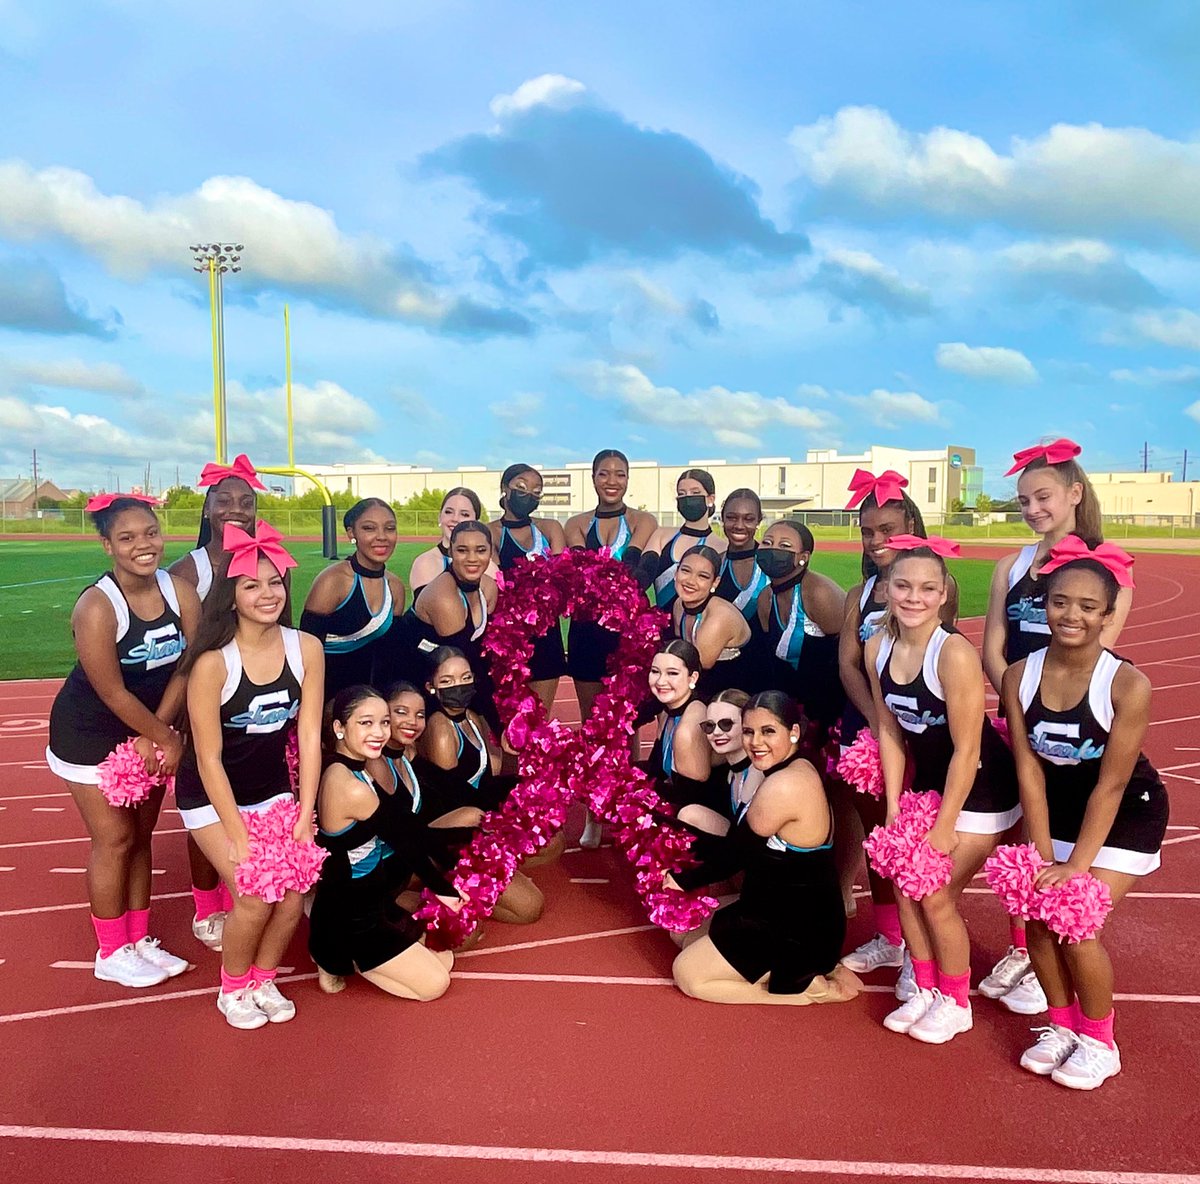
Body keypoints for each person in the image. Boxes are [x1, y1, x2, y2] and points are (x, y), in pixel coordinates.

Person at [1002, 537, 1167, 1090]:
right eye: (1059, 602)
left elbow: (1113, 784)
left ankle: (1101, 1041)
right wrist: (1043, 855)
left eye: (1088, 606)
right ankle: (1063, 1025)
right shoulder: (1018, 675)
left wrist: (1075, 870)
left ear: (1108, 614)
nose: (1071, 615)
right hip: (1060, 810)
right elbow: (1028, 770)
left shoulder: (1126, 684)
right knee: (1037, 921)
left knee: (1075, 922)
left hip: (1125, 812)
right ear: (1043, 603)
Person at [979, 440, 1133, 1014]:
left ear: (1073, 493)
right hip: (1019, 707)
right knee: (1025, 833)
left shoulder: (1106, 566)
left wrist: (1041, 703)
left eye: (1043, 496)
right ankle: (1024, 948)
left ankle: (1053, 941)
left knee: (1066, 826)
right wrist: (1015, 696)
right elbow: (994, 643)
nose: (1034, 508)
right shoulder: (1011, 566)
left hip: (1073, 721)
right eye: (1023, 500)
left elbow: (1095, 652)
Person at [865, 536, 1020, 1045]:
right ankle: (928, 989)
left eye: (927, 589)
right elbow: (889, 730)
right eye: (904, 585)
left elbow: (969, 750)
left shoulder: (953, 654)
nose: (913, 597)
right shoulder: (877, 647)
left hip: (981, 790)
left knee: (932, 894)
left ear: (943, 595)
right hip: (928, 786)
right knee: (906, 887)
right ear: (887, 588)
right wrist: (892, 805)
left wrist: (944, 826)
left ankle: (956, 1003)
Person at [174, 522, 325, 1030]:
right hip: (210, 794)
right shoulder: (213, 664)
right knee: (254, 894)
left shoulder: (306, 649)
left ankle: (263, 978)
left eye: (275, 582)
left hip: (270, 788)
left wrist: (305, 816)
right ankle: (233, 987)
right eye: (251, 585)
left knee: (292, 890)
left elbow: (307, 737)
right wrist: (238, 836)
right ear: (231, 596)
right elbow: (208, 759)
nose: (268, 594)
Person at [46, 494, 199, 988]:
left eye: (150, 533)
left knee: (141, 835)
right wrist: (166, 739)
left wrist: (161, 732)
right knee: (114, 839)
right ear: (107, 544)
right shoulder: (97, 606)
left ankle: (137, 939)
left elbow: (187, 666)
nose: (143, 545)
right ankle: (111, 951)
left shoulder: (180, 592)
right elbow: (110, 691)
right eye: (128, 538)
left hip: (152, 726)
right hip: (90, 733)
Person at [670, 691, 863, 1006]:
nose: (755, 741)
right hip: (775, 908)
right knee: (682, 935)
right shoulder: (794, 765)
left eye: (768, 731)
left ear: (794, 732)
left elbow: (736, 854)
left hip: (794, 927)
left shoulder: (784, 786)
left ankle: (803, 991)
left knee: (688, 975)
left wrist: (681, 878)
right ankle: (811, 971)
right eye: (749, 731)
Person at [836, 470, 939, 993]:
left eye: (888, 530)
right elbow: (849, 664)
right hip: (869, 728)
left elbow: (939, 659)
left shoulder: (928, 589)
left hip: (919, 727)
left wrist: (897, 718)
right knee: (880, 840)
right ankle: (890, 936)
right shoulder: (861, 593)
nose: (877, 541)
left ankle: (921, 954)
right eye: (868, 531)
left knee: (914, 841)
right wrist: (877, 718)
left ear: (912, 526)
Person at [170, 454, 267, 952]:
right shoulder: (188, 568)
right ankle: (206, 904)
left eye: (246, 502)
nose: (236, 509)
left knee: (246, 800)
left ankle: (238, 893)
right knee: (206, 805)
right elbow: (183, 653)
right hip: (206, 699)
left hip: (252, 702)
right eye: (224, 501)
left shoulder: (266, 558)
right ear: (207, 510)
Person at [308, 685, 457, 1000]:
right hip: (351, 916)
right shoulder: (351, 787)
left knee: (444, 958)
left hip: (371, 902)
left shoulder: (356, 770)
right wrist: (447, 891)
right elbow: (405, 838)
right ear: (339, 728)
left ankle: (352, 951)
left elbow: (409, 827)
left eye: (384, 722)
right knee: (435, 985)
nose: (379, 732)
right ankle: (337, 957)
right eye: (366, 723)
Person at [564, 449, 657, 848]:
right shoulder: (575, 524)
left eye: (620, 473)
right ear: (593, 477)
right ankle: (595, 815)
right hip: (587, 636)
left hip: (627, 637)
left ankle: (628, 810)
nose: (612, 480)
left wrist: (624, 577)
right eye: (604, 473)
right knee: (594, 729)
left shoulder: (643, 520)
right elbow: (585, 577)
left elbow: (635, 573)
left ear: (628, 479)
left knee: (627, 725)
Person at [418, 647, 543, 925]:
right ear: (431, 688)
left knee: (549, 840)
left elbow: (485, 778)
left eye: (465, 678)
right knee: (530, 908)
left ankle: (484, 884)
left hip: (478, 819)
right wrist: (503, 823)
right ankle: (442, 886)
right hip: (455, 832)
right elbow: (452, 799)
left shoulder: (472, 719)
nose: (458, 687)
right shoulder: (440, 729)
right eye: (447, 682)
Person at [299, 498, 405, 702]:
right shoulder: (333, 581)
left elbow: (390, 657)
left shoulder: (395, 587)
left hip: (372, 701)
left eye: (389, 528)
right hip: (325, 699)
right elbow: (305, 653)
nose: (381, 537)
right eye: (369, 528)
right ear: (351, 533)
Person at [750, 519, 845, 736]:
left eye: (785, 546)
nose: (773, 549)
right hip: (792, 709)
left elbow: (845, 658)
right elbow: (774, 663)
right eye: (767, 542)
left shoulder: (819, 593)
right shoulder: (765, 598)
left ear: (803, 558)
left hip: (830, 709)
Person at [406, 520, 500, 732]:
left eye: (481, 550)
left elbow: (488, 652)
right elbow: (469, 661)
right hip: (414, 680)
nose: (472, 558)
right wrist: (501, 727)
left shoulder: (488, 587)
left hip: (450, 678)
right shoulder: (444, 597)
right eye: (462, 550)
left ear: (490, 552)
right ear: (450, 552)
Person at [488, 463, 567, 712]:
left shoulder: (550, 527)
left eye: (536, 491)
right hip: (509, 640)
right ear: (504, 488)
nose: (528, 495)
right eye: (521, 487)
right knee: (508, 723)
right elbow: (497, 583)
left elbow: (560, 576)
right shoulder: (490, 532)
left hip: (546, 638)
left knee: (538, 720)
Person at [643, 639, 722, 816]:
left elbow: (692, 795)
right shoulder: (667, 711)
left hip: (697, 815)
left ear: (692, 678)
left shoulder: (689, 728)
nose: (661, 681)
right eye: (655, 672)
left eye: (672, 673)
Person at [680, 688, 764, 838]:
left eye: (726, 724)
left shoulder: (759, 769)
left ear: (748, 725)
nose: (716, 732)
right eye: (709, 726)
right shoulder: (729, 770)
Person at [671, 545, 752, 698]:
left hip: (731, 693)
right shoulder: (678, 605)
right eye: (686, 571)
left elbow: (701, 667)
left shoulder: (719, 616)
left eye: (703, 576)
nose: (690, 581)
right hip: (698, 682)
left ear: (715, 583)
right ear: (676, 572)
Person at [641, 469, 726, 611]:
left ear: (710, 499)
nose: (688, 498)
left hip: (696, 628)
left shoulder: (722, 546)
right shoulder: (661, 535)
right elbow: (643, 574)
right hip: (659, 626)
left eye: (695, 493)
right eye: (682, 494)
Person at [408, 488, 496, 599]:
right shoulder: (425, 563)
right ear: (440, 517)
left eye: (464, 514)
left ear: (476, 521)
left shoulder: (490, 568)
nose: (455, 519)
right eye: (448, 512)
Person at [714, 489, 768, 622]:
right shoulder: (715, 564)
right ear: (722, 518)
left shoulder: (772, 564)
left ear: (758, 522)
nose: (739, 526)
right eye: (731, 517)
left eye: (748, 519)